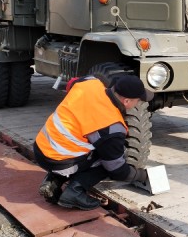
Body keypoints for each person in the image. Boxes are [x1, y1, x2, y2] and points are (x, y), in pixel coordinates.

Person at [34, 75, 153, 210]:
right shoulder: (111, 126)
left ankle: (53, 181)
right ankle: (75, 191)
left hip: (42, 146)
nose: (138, 104)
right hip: (59, 159)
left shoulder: (90, 83)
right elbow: (117, 170)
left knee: (88, 145)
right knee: (113, 158)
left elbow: (72, 83)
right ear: (126, 101)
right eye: (137, 101)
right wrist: (140, 175)